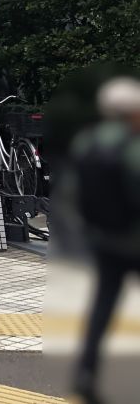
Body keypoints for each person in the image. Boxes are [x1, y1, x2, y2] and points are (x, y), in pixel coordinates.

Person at [70, 76, 140, 404]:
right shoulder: (133, 144)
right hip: (133, 240)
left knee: (103, 306)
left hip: (103, 239)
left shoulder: (87, 141)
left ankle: (86, 371)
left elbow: (74, 192)